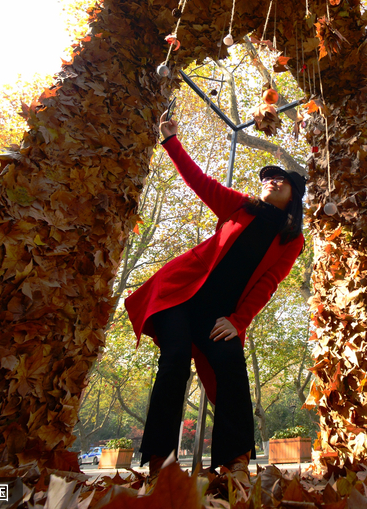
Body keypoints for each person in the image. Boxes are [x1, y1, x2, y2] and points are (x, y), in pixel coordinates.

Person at [125, 114, 306, 484]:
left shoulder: (292, 241)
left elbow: (268, 283)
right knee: (173, 359)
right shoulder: (239, 206)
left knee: (232, 370)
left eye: (281, 179)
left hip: (220, 317)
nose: (271, 181)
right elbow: (199, 181)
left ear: (293, 195)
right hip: (180, 296)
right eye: (268, 177)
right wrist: (171, 139)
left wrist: (238, 322)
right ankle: (161, 460)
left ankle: (234, 460)